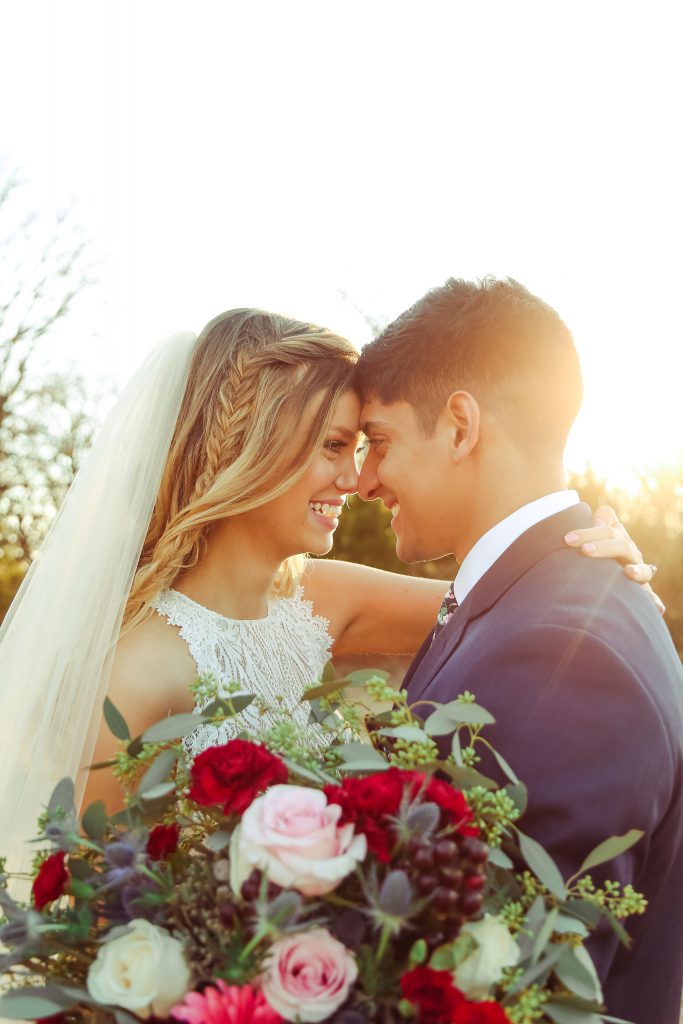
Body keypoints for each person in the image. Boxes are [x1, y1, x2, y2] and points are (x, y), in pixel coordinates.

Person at [0, 308, 652, 879]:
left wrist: (595, 560)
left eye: (364, 447)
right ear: (248, 447)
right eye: (335, 446)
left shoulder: (321, 599)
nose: (355, 477)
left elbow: (516, 601)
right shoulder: (139, 672)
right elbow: (91, 914)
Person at [354, 277, 683, 1023]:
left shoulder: (562, 654)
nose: (365, 479)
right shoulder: (526, 602)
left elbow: (520, 993)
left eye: (379, 440)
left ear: (461, 425)